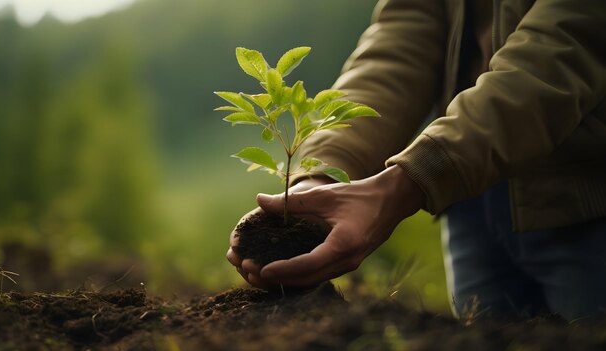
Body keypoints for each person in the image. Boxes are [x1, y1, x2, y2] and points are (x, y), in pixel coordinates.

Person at [227, 0, 606, 321]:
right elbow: (404, 38)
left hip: (585, 199)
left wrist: (411, 180)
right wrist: (322, 171)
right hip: (467, 199)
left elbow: (568, 46)